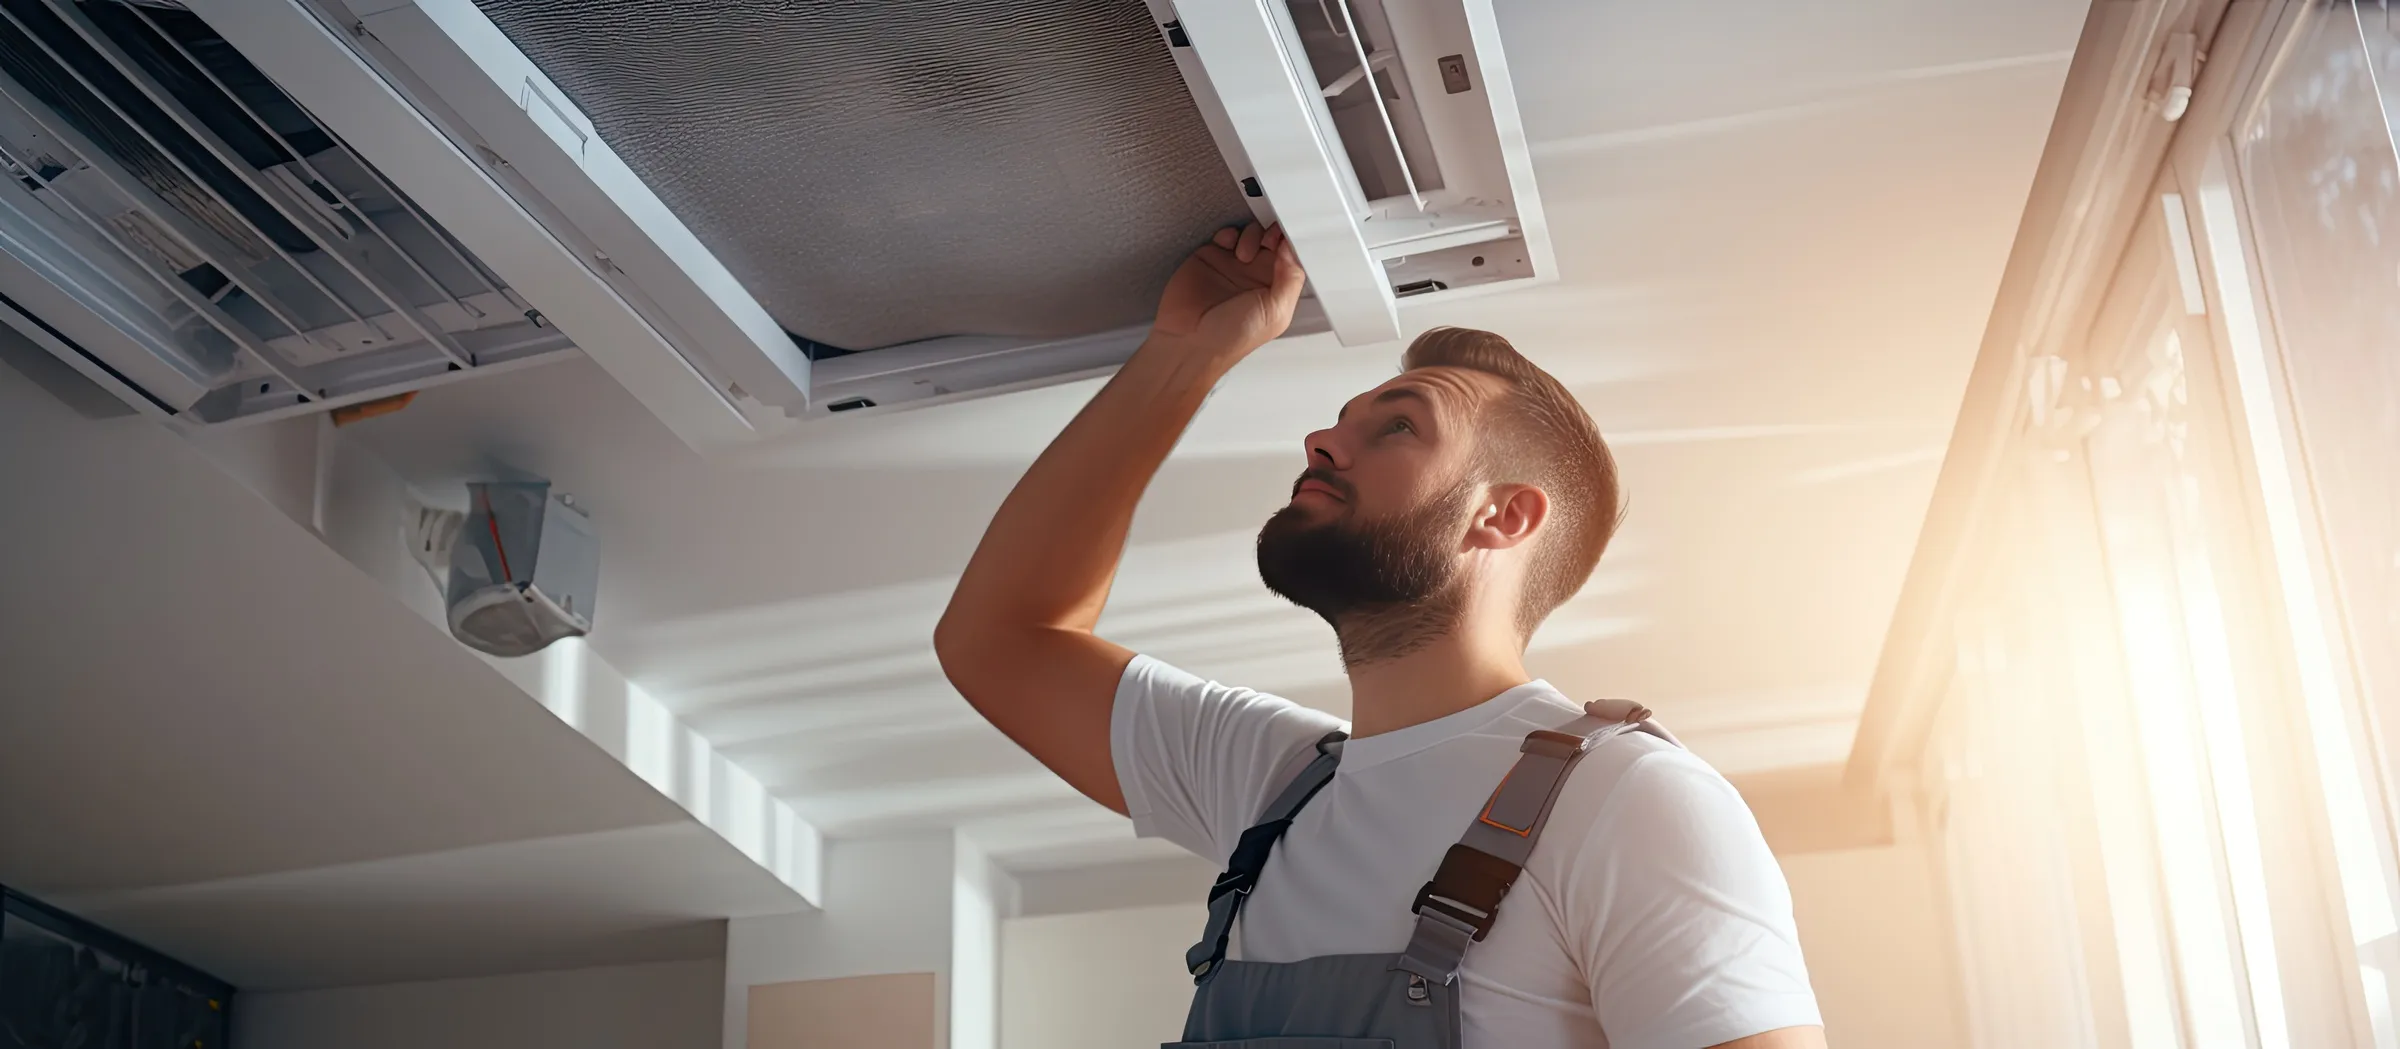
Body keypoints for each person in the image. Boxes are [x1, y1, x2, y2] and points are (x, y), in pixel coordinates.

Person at [935, 222, 1825, 1049]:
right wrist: (1184, 356)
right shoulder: (1273, 786)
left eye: (1397, 425)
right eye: (1340, 421)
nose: (1321, 440)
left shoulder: (1632, 803)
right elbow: (1001, 639)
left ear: (1503, 516)